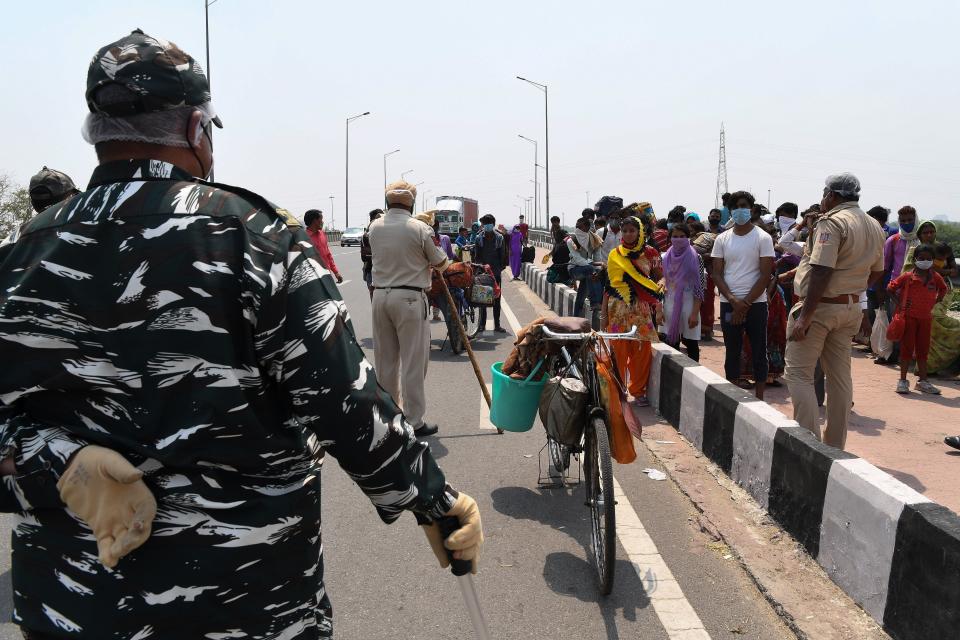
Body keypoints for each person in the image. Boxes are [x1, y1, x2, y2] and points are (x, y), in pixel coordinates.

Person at [0, 30, 482, 639]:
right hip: (245, 603)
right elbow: (344, 403)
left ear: (95, 131)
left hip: (74, 605)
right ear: (198, 129)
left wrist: (54, 464)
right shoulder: (257, 241)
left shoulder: (19, 258)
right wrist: (434, 500)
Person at [784, 173, 886, 450]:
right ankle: (835, 446)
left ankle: (809, 446)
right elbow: (878, 271)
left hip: (820, 308)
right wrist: (851, 290)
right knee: (840, 378)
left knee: (798, 375)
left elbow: (821, 269)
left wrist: (805, 315)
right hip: (850, 307)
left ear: (832, 195)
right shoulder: (874, 225)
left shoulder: (833, 222)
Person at [370, 182, 451, 435]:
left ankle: (387, 417)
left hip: (380, 296)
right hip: (409, 299)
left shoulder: (375, 227)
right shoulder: (419, 228)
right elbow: (440, 262)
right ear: (412, 204)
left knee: (385, 362)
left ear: (386, 203)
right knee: (413, 363)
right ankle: (413, 421)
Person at [710, 190, 775, 400]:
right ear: (730, 211)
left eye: (744, 206)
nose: (740, 210)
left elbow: (766, 274)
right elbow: (717, 273)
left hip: (756, 303)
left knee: (758, 349)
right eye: (736, 206)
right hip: (730, 303)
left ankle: (760, 397)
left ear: (751, 209)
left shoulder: (763, 238)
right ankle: (732, 397)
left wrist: (745, 303)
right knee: (732, 350)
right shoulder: (722, 239)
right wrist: (733, 300)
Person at [605, 216, 664, 406]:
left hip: (641, 308)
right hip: (618, 307)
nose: (629, 234)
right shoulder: (615, 254)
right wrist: (603, 314)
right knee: (618, 349)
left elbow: (660, 279)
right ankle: (619, 389)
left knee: (642, 350)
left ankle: (638, 391)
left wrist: (660, 303)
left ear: (640, 231)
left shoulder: (650, 252)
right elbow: (609, 285)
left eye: (632, 230)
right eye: (625, 231)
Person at [888, 243, 947, 394]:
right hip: (909, 318)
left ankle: (923, 381)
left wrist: (935, 301)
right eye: (922, 258)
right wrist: (900, 303)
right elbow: (891, 288)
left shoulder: (935, 277)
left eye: (928, 259)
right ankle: (902, 380)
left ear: (933, 260)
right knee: (907, 349)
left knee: (923, 350)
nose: (925, 261)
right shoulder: (908, 276)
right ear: (915, 259)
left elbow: (943, 289)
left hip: (925, 319)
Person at [877, 205, 920, 363]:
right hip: (895, 289)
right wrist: (881, 290)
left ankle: (909, 355)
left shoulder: (921, 240)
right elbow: (884, 267)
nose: (906, 223)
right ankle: (892, 354)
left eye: (910, 220)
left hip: (917, 290)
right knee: (894, 321)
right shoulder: (893, 240)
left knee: (913, 323)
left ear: (915, 220)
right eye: (903, 220)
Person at [660, 223, 703, 361]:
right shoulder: (665, 257)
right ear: (670, 238)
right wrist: (659, 309)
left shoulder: (696, 257)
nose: (678, 239)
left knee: (691, 344)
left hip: (689, 305)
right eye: (675, 236)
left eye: (682, 236)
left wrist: (695, 313)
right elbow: (662, 283)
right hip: (669, 304)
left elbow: (700, 287)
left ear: (688, 238)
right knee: (671, 345)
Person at [567, 216, 605, 328]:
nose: (579, 229)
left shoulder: (594, 239)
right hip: (575, 269)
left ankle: (575, 322)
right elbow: (578, 259)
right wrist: (595, 265)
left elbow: (597, 256)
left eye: (581, 227)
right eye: (577, 227)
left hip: (589, 271)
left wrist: (598, 270)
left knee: (581, 297)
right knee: (590, 270)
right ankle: (595, 302)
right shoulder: (571, 240)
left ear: (587, 227)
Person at [475, 213, 509, 334]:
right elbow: (477, 256)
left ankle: (497, 325)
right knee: (482, 299)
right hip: (482, 273)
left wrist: (498, 270)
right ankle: (481, 325)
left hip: (495, 273)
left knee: (496, 299)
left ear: (493, 225)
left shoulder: (499, 238)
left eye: (488, 224)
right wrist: (480, 268)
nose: (487, 226)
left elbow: (503, 256)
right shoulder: (478, 238)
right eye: (485, 224)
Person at [305, 209, 343, 283]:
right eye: (321, 219)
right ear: (315, 221)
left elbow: (328, 255)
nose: (322, 222)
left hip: (326, 275)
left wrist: (336, 272)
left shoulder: (322, 234)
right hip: (312, 278)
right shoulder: (303, 237)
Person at [361, 208, 383, 299]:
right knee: (375, 302)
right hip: (372, 271)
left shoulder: (385, 232)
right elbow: (365, 256)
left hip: (385, 273)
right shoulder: (367, 235)